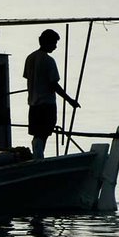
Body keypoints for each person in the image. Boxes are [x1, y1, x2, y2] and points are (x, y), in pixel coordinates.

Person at [24, 29, 79, 159]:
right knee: (44, 132)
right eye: (54, 43)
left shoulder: (30, 58)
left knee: (38, 133)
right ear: (47, 43)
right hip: (46, 104)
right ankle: (38, 155)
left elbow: (28, 77)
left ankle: (38, 154)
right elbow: (53, 84)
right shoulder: (49, 61)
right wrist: (70, 100)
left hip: (33, 104)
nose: (55, 46)